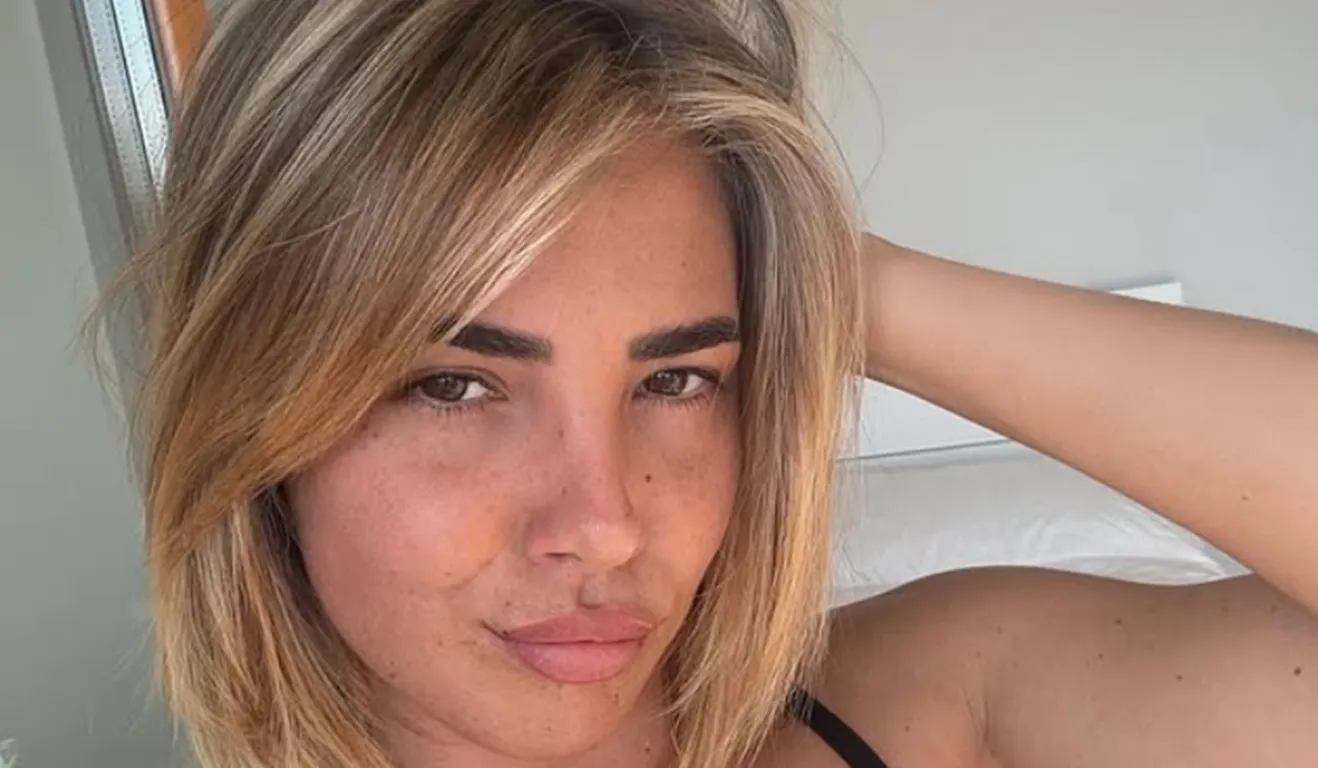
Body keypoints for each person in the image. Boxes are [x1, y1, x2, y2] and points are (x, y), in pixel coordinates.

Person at [102, 0, 1318, 766]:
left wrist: (836, 280)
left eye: (676, 377)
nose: (603, 525)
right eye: (452, 386)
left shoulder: (933, 704)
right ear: (256, 412)